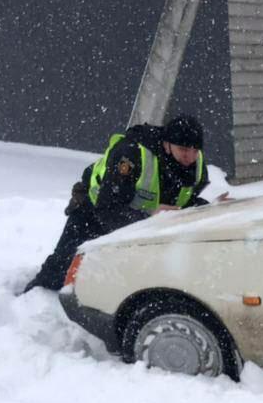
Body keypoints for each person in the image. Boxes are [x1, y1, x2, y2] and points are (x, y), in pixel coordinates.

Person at [23, 114, 210, 292]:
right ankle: (31, 306)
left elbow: (185, 200)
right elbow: (107, 208)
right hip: (93, 211)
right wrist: (149, 216)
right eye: (184, 150)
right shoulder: (131, 154)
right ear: (167, 144)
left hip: (140, 222)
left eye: (195, 150)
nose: (191, 157)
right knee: (61, 272)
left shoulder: (196, 165)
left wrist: (210, 208)